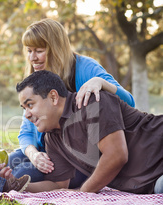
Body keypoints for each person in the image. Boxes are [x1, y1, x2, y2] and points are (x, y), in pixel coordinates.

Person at [7, 18, 136, 188]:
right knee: (9, 162)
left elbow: (129, 102)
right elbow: (26, 131)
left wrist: (100, 82)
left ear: (56, 48)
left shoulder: (84, 68)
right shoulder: (35, 79)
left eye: (39, 50)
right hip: (48, 151)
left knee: (24, 173)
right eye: (29, 51)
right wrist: (34, 154)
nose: (33, 58)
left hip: (80, 156)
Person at [14, 70, 163, 194]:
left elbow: (116, 155)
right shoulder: (52, 137)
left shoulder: (92, 102)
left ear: (53, 97)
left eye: (30, 105)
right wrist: (15, 186)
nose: (26, 114)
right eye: (24, 108)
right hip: (152, 184)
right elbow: (59, 185)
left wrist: (83, 191)